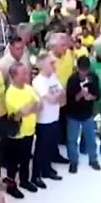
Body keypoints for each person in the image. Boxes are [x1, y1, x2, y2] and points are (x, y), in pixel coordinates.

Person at [3, 63, 41, 195]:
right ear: (13, 76)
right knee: (12, 163)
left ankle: (24, 180)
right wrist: (31, 105)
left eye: (26, 73)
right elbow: (21, 112)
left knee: (26, 159)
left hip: (29, 130)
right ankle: (11, 186)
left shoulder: (29, 88)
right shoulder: (10, 93)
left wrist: (29, 107)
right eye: (23, 73)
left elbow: (39, 106)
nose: (26, 76)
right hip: (16, 133)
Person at [31, 55, 65, 187]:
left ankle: (47, 170)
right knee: (41, 149)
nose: (54, 65)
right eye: (51, 63)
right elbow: (52, 99)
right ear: (43, 66)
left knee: (50, 146)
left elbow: (61, 93)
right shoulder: (38, 81)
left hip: (54, 117)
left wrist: (56, 96)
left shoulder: (53, 77)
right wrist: (57, 96)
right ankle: (36, 175)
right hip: (43, 121)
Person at [64, 56, 101, 173]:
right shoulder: (72, 80)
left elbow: (98, 93)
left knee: (91, 138)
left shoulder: (93, 78)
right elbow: (70, 98)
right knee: (72, 140)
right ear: (78, 69)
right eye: (82, 71)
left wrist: (91, 97)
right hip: (73, 114)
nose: (84, 73)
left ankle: (93, 159)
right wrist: (81, 94)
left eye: (86, 71)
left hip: (88, 114)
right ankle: (73, 161)